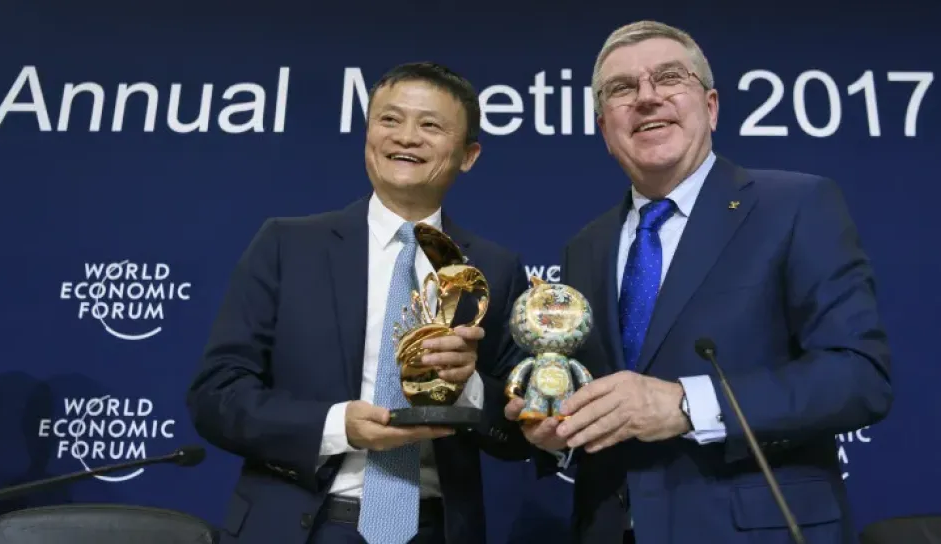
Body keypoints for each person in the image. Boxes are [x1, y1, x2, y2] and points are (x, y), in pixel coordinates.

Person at [505, 20, 893, 544]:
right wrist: (559, 431)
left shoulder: (796, 206)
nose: (647, 97)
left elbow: (859, 377)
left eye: (669, 78)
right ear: (604, 129)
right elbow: (603, 402)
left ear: (710, 107)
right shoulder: (587, 246)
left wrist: (688, 405)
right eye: (622, 88)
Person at [187, 62, 530, 544]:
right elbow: (216, 396)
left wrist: (468, 388)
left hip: (435, 529)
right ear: (368, 134)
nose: (406, 137)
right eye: (390, 119)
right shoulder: (287, 245)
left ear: (468, 155)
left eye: (430, 125)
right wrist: (337, 426)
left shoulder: (494, 268)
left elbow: (520, 435)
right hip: (303, 526)